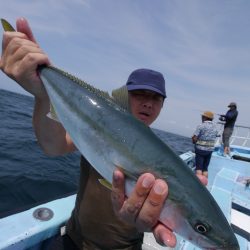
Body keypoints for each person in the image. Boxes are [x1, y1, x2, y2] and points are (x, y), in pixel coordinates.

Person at [0, 18, 178, 249]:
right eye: (140, 94)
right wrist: (42, 95)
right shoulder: (97, 129)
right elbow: (54, 146)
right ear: (125, 96)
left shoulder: (164, 159)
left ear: (162, 105)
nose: (147, 103)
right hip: (75, 240)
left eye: (155, 98)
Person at [192, 111, 219, 178]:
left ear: (205, 117)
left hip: (200, 150)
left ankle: (198, 185)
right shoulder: (215, 127)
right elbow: (216, 136)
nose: (201, 117)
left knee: (199, 168)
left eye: (202, 116)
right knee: (205, 169)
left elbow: (194, 138)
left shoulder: (201, 126)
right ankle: (205, 184)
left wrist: (193, 140)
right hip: (209, 150)